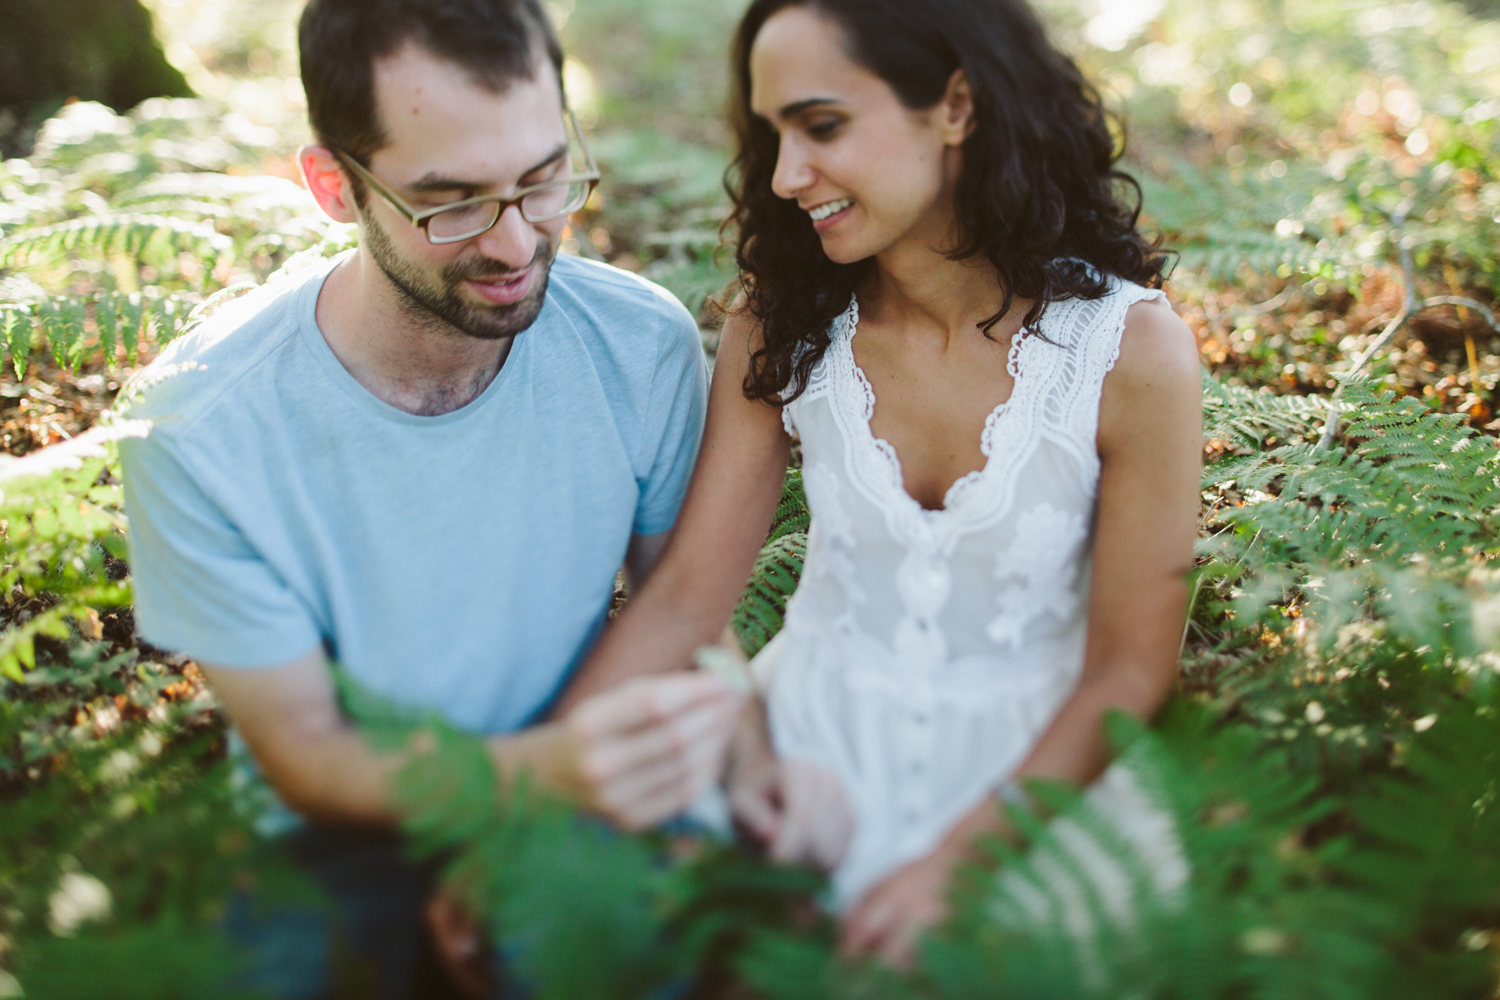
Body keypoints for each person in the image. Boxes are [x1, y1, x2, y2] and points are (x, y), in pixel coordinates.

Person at [562, 0, 1202, 968]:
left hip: (1033, 793)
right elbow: (686, 598)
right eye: (772, 134)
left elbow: (1128, 670)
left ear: (955, 105)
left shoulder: (1129, 353)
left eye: (821, 126)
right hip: (803, 762)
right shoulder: (781, 323)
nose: (785, 176)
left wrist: (956, 870)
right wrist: (518, 809)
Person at [118, 0, 740, 994]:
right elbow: (306, 755)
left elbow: (688, 614)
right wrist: (534, 788)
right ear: (332, 184)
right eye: (449, 201)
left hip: (592, 771)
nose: (513, 243)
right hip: (346, 835)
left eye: (543, 180)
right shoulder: (200, 423)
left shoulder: (640, 344)